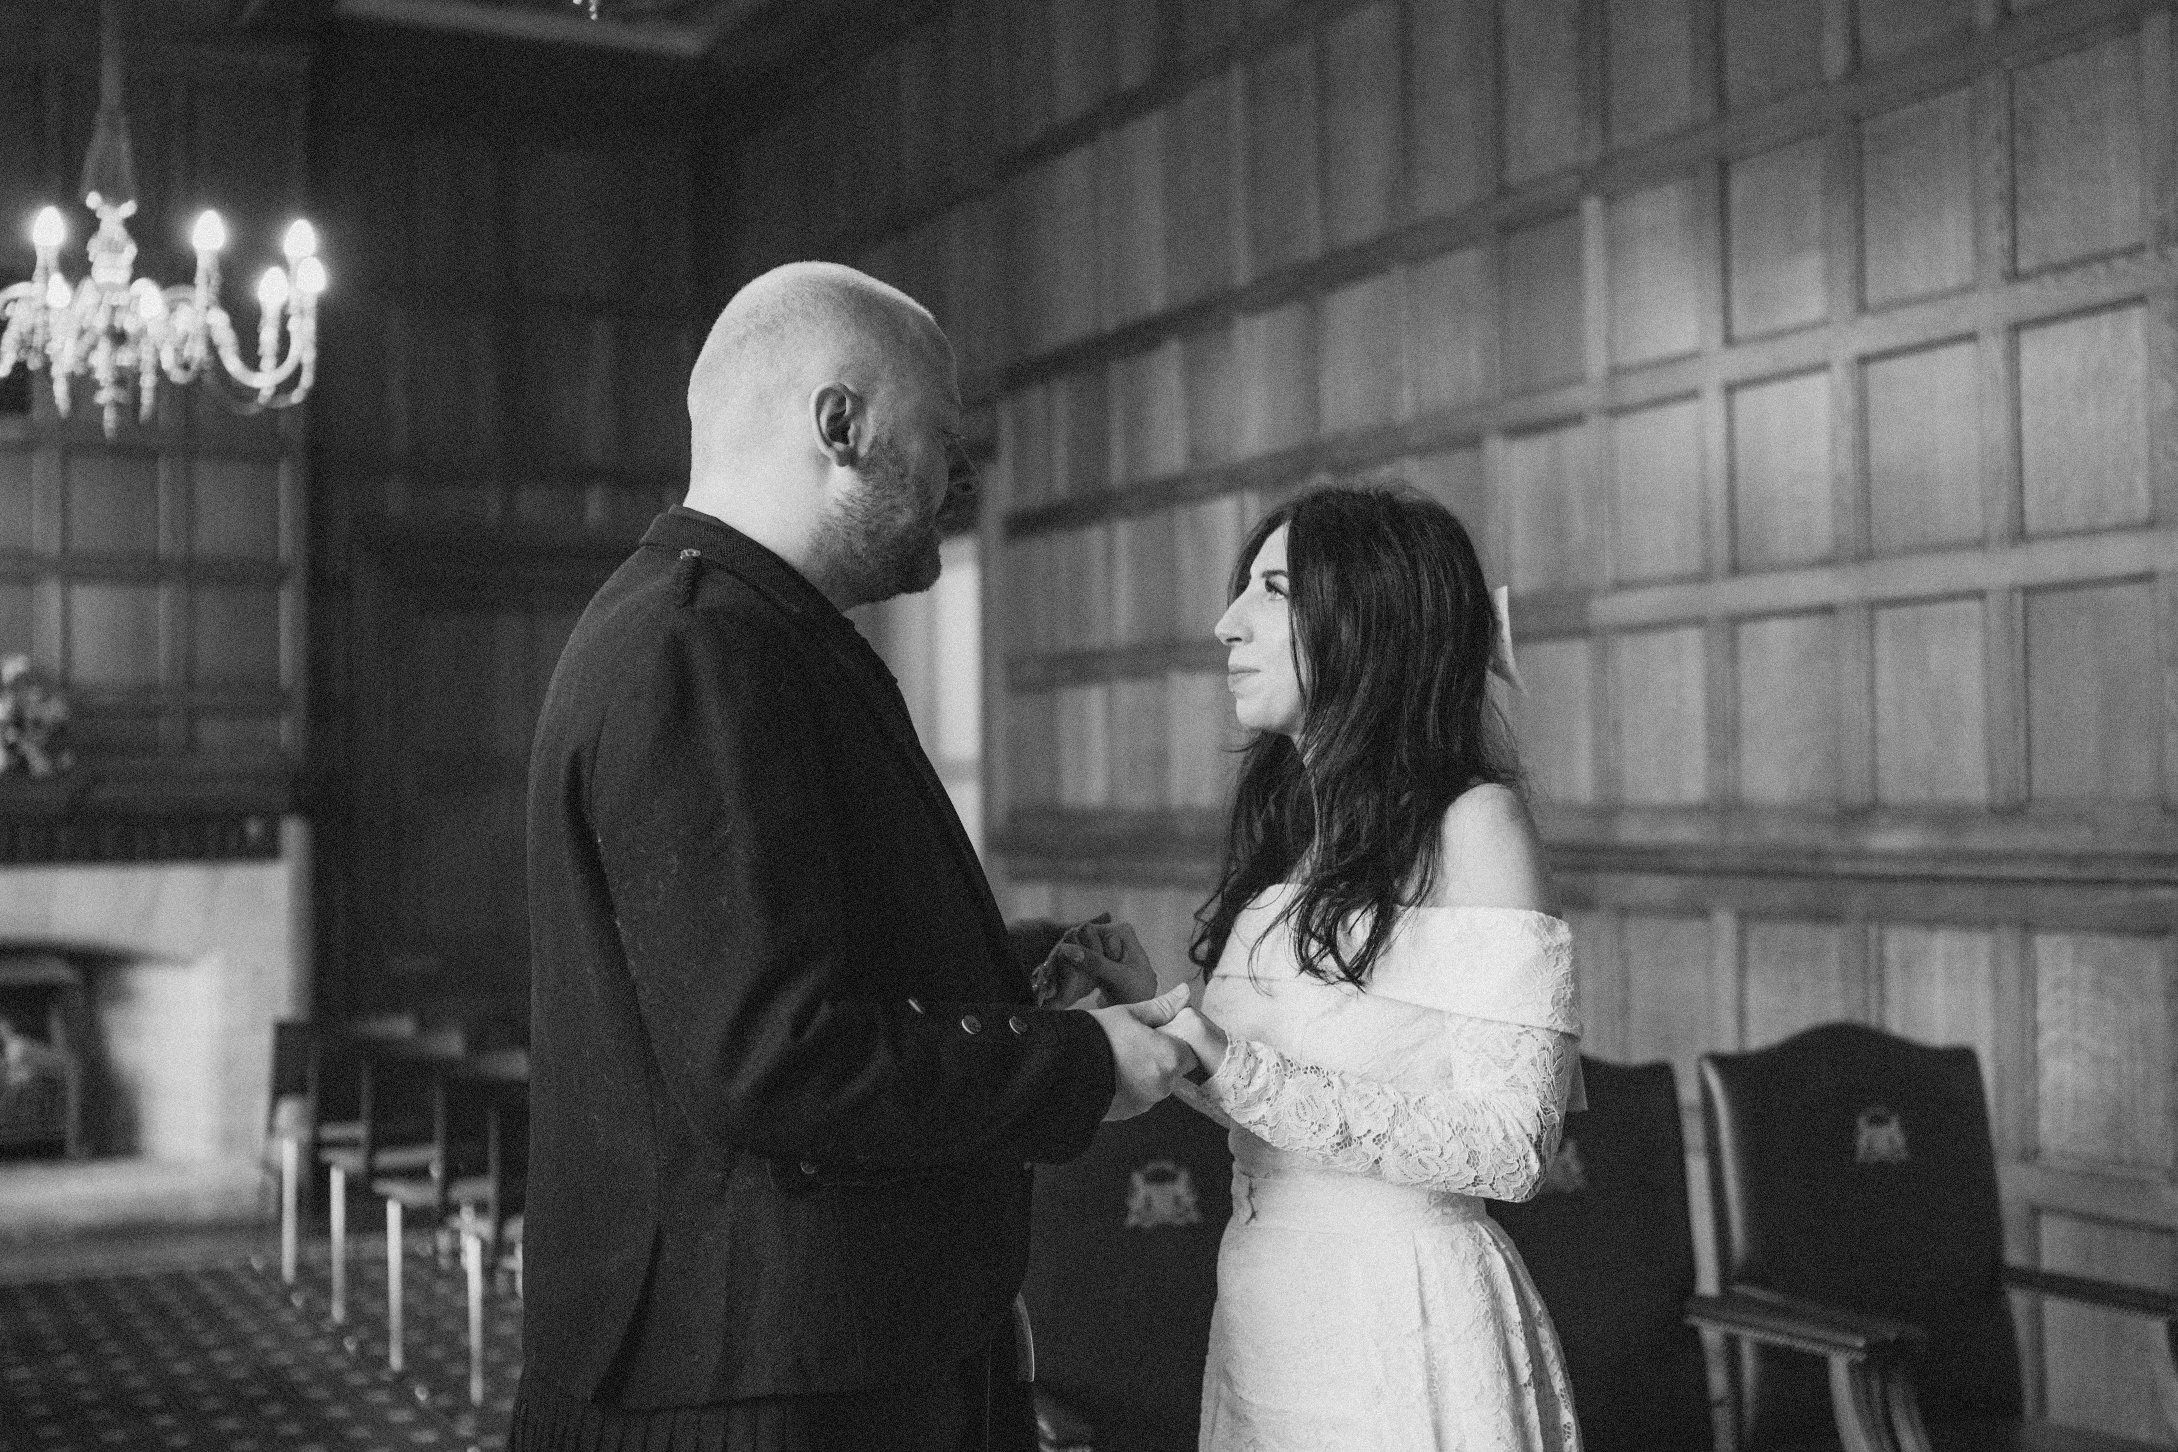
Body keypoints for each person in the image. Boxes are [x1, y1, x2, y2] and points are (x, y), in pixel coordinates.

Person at [514, 261, 1193, 1452]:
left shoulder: (746, 631)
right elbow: (773, 1058)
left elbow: (788, 954)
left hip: (803, 1353)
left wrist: (1016, 973)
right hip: (756, 1386)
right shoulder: (699, 649)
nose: (964, 478)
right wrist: (1080, 1064)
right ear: (842, 424)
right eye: (945, 438)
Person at [1153, 486, 1586, 1450]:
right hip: (1267, 1313)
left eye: (1271, 589)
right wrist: (1164, 1031)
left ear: (1369, 622)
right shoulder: (1291, 841)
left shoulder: (1477, 826)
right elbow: (1271, 1105)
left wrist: (1228, 1061)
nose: (1228, 625)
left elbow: (1513, 1147)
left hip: (1402, 1323)